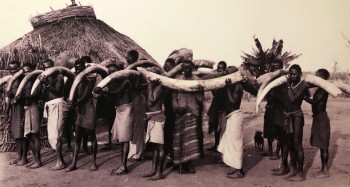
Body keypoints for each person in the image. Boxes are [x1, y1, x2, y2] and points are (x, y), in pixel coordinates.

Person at [94, 64, 133, 175]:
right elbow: (112, 98)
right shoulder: (112, 83)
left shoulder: (126, 81)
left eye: (113, 71)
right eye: (109, 71)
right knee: (122, 140)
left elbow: (117, 93)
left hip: (126, 110)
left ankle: (123, 166)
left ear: (119, 72)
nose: (111, 73)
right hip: (119, 110)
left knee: (125, 139)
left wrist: (102, 91)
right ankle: (122, 164)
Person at [65, 58, 98, 172]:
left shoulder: (90, 78)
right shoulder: (74, 79)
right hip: (79, 109)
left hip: (88, 108)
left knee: (92, 136)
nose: (79, 70)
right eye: (77, 68)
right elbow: (70, 94)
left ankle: (93, 162)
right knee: (78, 138)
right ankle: (74, 163)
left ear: (84, 67)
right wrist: (71, 102)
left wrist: (75, 103)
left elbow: (85, 94)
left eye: (80, 67)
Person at [278, 64, 310, 181]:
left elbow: (292, 99)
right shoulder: (289, 84)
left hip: (297, 116)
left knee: (297, 144)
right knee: (290, 144)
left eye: (295, 74)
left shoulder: (302, 85)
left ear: (300, 74)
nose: (292, 76)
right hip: (287, 116)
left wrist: (287, 85)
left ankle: (301, 173)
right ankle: (294, 169)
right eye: (290, 73)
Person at [172, 60, 203, 174]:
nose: (187, 70)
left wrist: (196, 90)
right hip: (180, 112)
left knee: (190, 139)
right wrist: (176, 107)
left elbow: (200, 99)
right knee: (179, 138)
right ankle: (181, 164)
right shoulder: (178, 79)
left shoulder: (196, 80)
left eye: (189, 68)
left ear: (192, 68)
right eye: (184, 68)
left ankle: (189, 164)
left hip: (192, 112)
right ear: (182, 69)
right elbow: (174, 96)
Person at [38, 59, 69, 170]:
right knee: (53, 135)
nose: (47, 69)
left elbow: (57, 91)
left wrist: (45, 83)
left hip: (58, 105)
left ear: (53, 67)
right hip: (50, 107)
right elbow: (46, 94)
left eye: (49, 67)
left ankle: (60, 162)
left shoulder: (59, 77)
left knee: (57, 135)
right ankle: (60, 161)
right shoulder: (45, 78)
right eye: (45, 68)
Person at [14, 63, 42, 169]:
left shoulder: (36, 81)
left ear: (33, 71)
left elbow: (35, 95)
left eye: (28, 71)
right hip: (26, 109)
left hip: (34, 108)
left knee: (35, 135)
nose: (26, 73)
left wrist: (19, 97)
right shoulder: (23, 82)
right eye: (24, 71)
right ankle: (35, 159)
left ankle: (38, 161)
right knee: (29, 136)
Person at [217, 71, 245, 179]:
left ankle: (239, 171)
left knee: (236, 144)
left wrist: (228, 89)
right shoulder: (233, 86)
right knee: (230, 143)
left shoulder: (237, 86)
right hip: (231, 117)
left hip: (235, 117)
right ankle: (237, 168)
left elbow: (233, 101)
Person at [305, 69, 331, 178]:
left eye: (317, 75)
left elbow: (315, 102)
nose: (315, 77)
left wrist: (303, 97)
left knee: (323, 146)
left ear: (323, 77)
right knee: (321, 145)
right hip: (318, 117)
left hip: (321, 118)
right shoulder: (321, 88)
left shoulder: (323, 90)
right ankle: (323, 169)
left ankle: (324, 171)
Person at [143, 67, 166, 180]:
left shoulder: (159, 86)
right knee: (154, 147)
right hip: (151, 118)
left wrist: (151, 86)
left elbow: (152, 101)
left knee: (160, 147)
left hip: (157, 118)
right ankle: (153, 169)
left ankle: (159, 172)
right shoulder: (152, 86)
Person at [126, 50, 147, 161]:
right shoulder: (128, 70)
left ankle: (138, 153)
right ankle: (133, 152)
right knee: (132, 127)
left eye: (128, 57)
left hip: (138, 100)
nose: (126, 58)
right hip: (131, 101)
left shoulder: (138, 71)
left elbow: (139, 86)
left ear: (134, 58)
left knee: (138, 127)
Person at [4, 61, 26, 166]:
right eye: (11, 69)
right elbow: (9, 94)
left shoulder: (23, 79)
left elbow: (24, 93)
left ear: (19, 69)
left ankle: (24, 157)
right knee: (16, 134)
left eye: (15, 69)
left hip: (21, 107)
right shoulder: (10, 80)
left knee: (22, 133)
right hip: (13, 108)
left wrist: (14, 96)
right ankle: (19, 155)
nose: (12, 71)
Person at [262, 60, 284, 159]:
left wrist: (273, 94)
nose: (274, 69)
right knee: (268, 129)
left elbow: (283, 96)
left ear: (281, 68)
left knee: (279, 129)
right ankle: (270, 150)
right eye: (273, 66)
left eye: (277, 67)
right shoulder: (269, 79)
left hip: (279, 108)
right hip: (270, 107)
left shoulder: (283, 80)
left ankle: (277, 152)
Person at [207, 61, 227, 152]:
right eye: (218, 68)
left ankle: (223, 146)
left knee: (223, 127)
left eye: (222, 68)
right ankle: (216, 144)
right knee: (216, 126)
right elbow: (214, 92)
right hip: (216, 105)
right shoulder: (216, 79)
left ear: (225, 69)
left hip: (224, 105)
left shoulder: (227, 79)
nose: (220, 70)